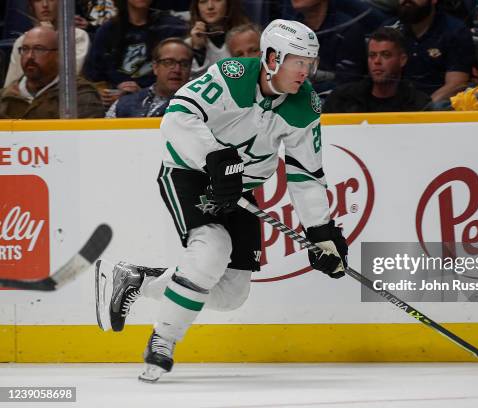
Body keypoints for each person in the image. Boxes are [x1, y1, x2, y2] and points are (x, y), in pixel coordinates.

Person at [94, 19, 348, 382]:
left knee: (231, 295)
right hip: (190, 171)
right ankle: (163, 341)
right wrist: (214, 156)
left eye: (310, 63)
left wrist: (322, 232)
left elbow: (306, 175)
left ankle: (135, 280)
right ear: (273, 58)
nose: (305, 71)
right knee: (211, 247)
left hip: (240, 188)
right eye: (298, 62)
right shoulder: (232, 75)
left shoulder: (305, 105)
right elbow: (177, 116)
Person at [83, 0, 188, 108]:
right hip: (113, 107)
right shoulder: (107, 31)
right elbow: (92, 77)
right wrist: (104, 94)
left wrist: (142, 93)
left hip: (161, 103)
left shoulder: (172, 27)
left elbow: (180, 74)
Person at [0, 26, 105, 119]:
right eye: (25, 49)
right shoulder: (5, 97)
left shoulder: (80, 95)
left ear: (59, 55)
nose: (29, 56)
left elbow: (86, 139)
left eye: (39, 49)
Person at [386, 0, 478, 102]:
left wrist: (423, 109)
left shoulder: (455, 31)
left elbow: (457, 84)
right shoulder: (389, 30)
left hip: (437, 108)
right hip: (394, 107)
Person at [324, 27, 431, 113]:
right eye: (372, 55)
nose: (377, 61)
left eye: (386, 55)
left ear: (402, 60)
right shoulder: (341, 99)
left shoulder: (419, 105)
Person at [3, 0, 91, 87]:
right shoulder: (23, 41)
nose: (45, 5)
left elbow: (69, 78)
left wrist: (48, 36)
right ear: (32, 6)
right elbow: (10, 85)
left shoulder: (77, 36)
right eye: (38, 0)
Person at [106, 38, 192, 117]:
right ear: (155, 67)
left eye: (184, 64)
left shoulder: (199, 107)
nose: (177, 69)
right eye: (168, 62)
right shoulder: (123, 104)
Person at [185, 0, 251, 78]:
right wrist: (198, 50)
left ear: (229, 3)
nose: (210, 6)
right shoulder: (186, 45)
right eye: (203, 1)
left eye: (217, 0)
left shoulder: (249, 38)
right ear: (197, 7)